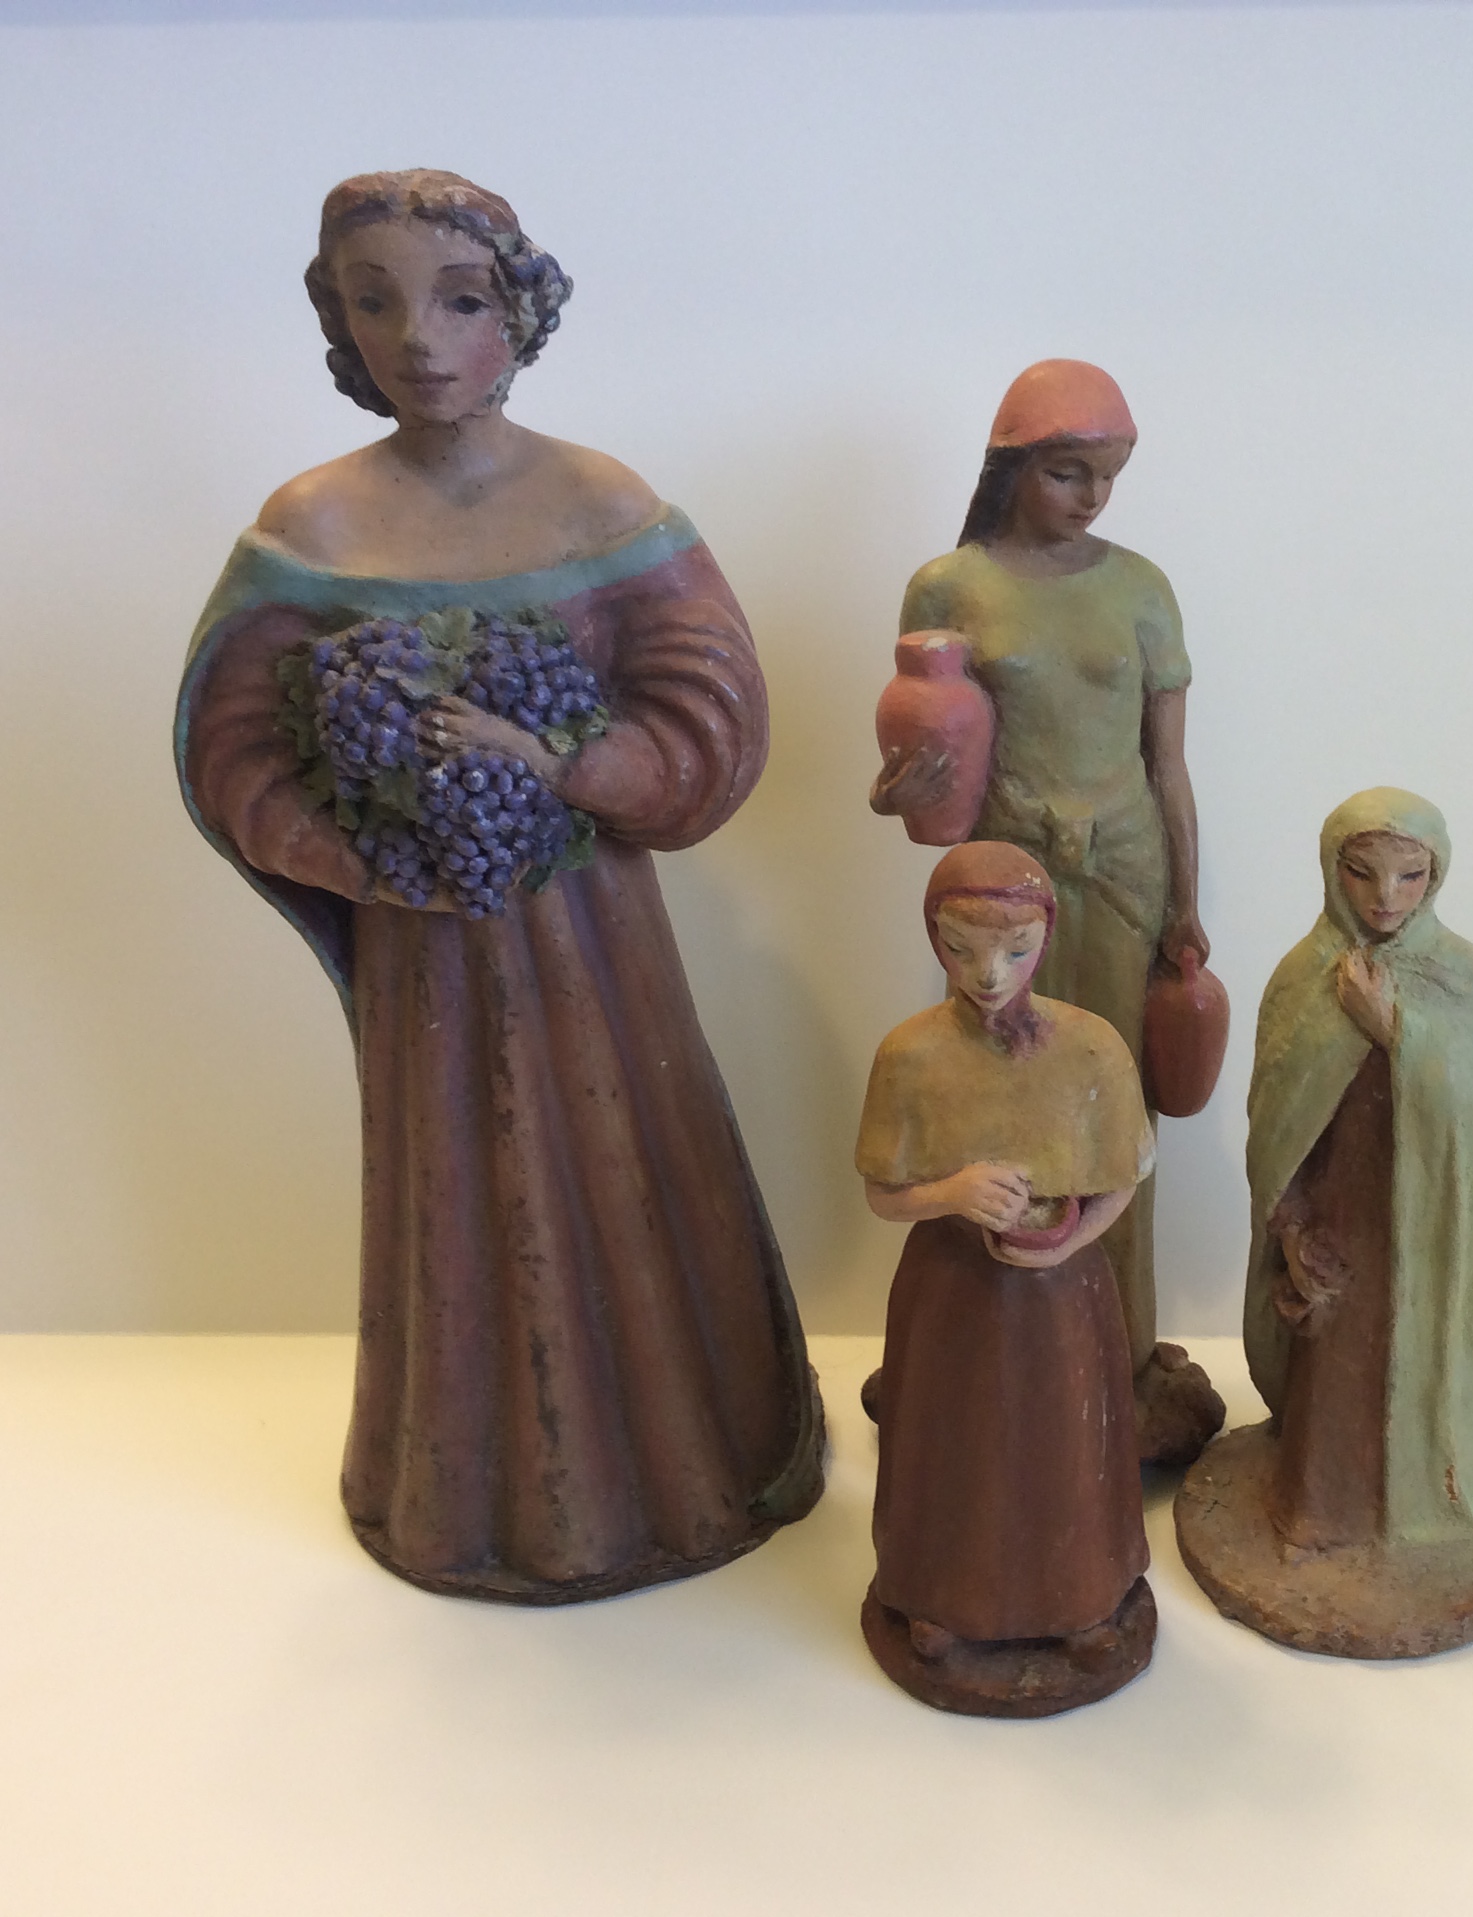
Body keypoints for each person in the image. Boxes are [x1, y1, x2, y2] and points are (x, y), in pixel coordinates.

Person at [175, 170, 822, 1603]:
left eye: (460, 299)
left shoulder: (603, 504)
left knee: (632, 1151)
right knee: (455, 1189)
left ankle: (692, 1467)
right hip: (431, 949)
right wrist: (372, 853)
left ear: (520, 312)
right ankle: (464, 1496)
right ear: (340, 325)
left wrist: (572, 768)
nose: (420, 337)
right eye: (377, 302)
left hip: (596, 938)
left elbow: (710, 717)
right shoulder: (315, 528)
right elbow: (234, 746)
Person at [871, 359, 1223, 1465]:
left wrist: (1187, 900)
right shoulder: (949, 586)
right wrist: (906, 785)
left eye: (1110, 474)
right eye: (1069, 472)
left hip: (1122, 873)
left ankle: (1119, 1353)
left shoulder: (1141, 589)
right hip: (1001, 885)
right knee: (992, 1084)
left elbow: (1169, 764)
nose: (1093, 497)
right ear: (1012, 467)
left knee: (1112, 1099)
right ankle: (996, 1348)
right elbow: (928, 769)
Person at [1174, 788, 1473, 1658]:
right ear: (1331, 870)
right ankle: (1316, 1516)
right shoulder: (1303, 979)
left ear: (1437, 876)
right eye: (1363, 873)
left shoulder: (1463, 980)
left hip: (1426, 1235)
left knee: (1417, 1356)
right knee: (1337, 1373)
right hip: (1339, 1226)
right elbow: (1275, 1124)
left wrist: (1400, 1031)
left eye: (1409, 876)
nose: (1386, 897)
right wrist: (1291, 1226)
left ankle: (1429, 1516)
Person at [855, 843, 1155, 1715]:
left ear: (1046, 939)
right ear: (934, 939)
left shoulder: (1092, 1049)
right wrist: (950, 1192)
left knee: (1066, 1442)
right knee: (952, 1444)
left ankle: (1081, 1600)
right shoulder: (910, 1056)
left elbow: (1122, 1178)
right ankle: (938, 1598)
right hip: (953, 1293)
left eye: (1016, 950)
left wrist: (1067, 1243)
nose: (989, 974)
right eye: (962, 949)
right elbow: (882, 1193)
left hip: (1061, 1296)